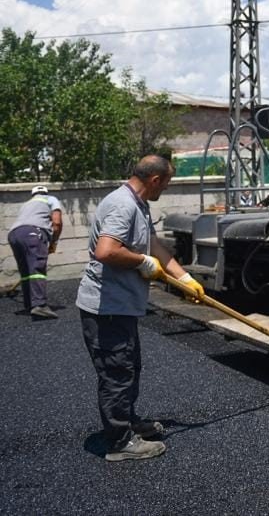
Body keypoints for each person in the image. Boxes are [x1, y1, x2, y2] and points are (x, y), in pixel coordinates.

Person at [75, 155, 205, 462]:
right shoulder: (123, 205)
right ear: (155, 180)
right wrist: (142, 262)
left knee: (129, 368)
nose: (167, 189)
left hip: (121, 306)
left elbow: (154, 246)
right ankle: (119, 442)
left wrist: (184, 279)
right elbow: (106, 251)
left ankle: (128, 422)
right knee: (116, 374)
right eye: (167, 183)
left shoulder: (139, 204)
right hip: (106, 308)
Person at [7, 185, 63, 319]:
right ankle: (40, 305)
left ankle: (30, 305)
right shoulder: (51, 199)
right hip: (32, 233)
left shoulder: (26, 204)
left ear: (33, 194)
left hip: (14, 234)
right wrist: (53, 242)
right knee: (37, 268)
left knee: (26, 271)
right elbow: (57, 223)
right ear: (46, 192)